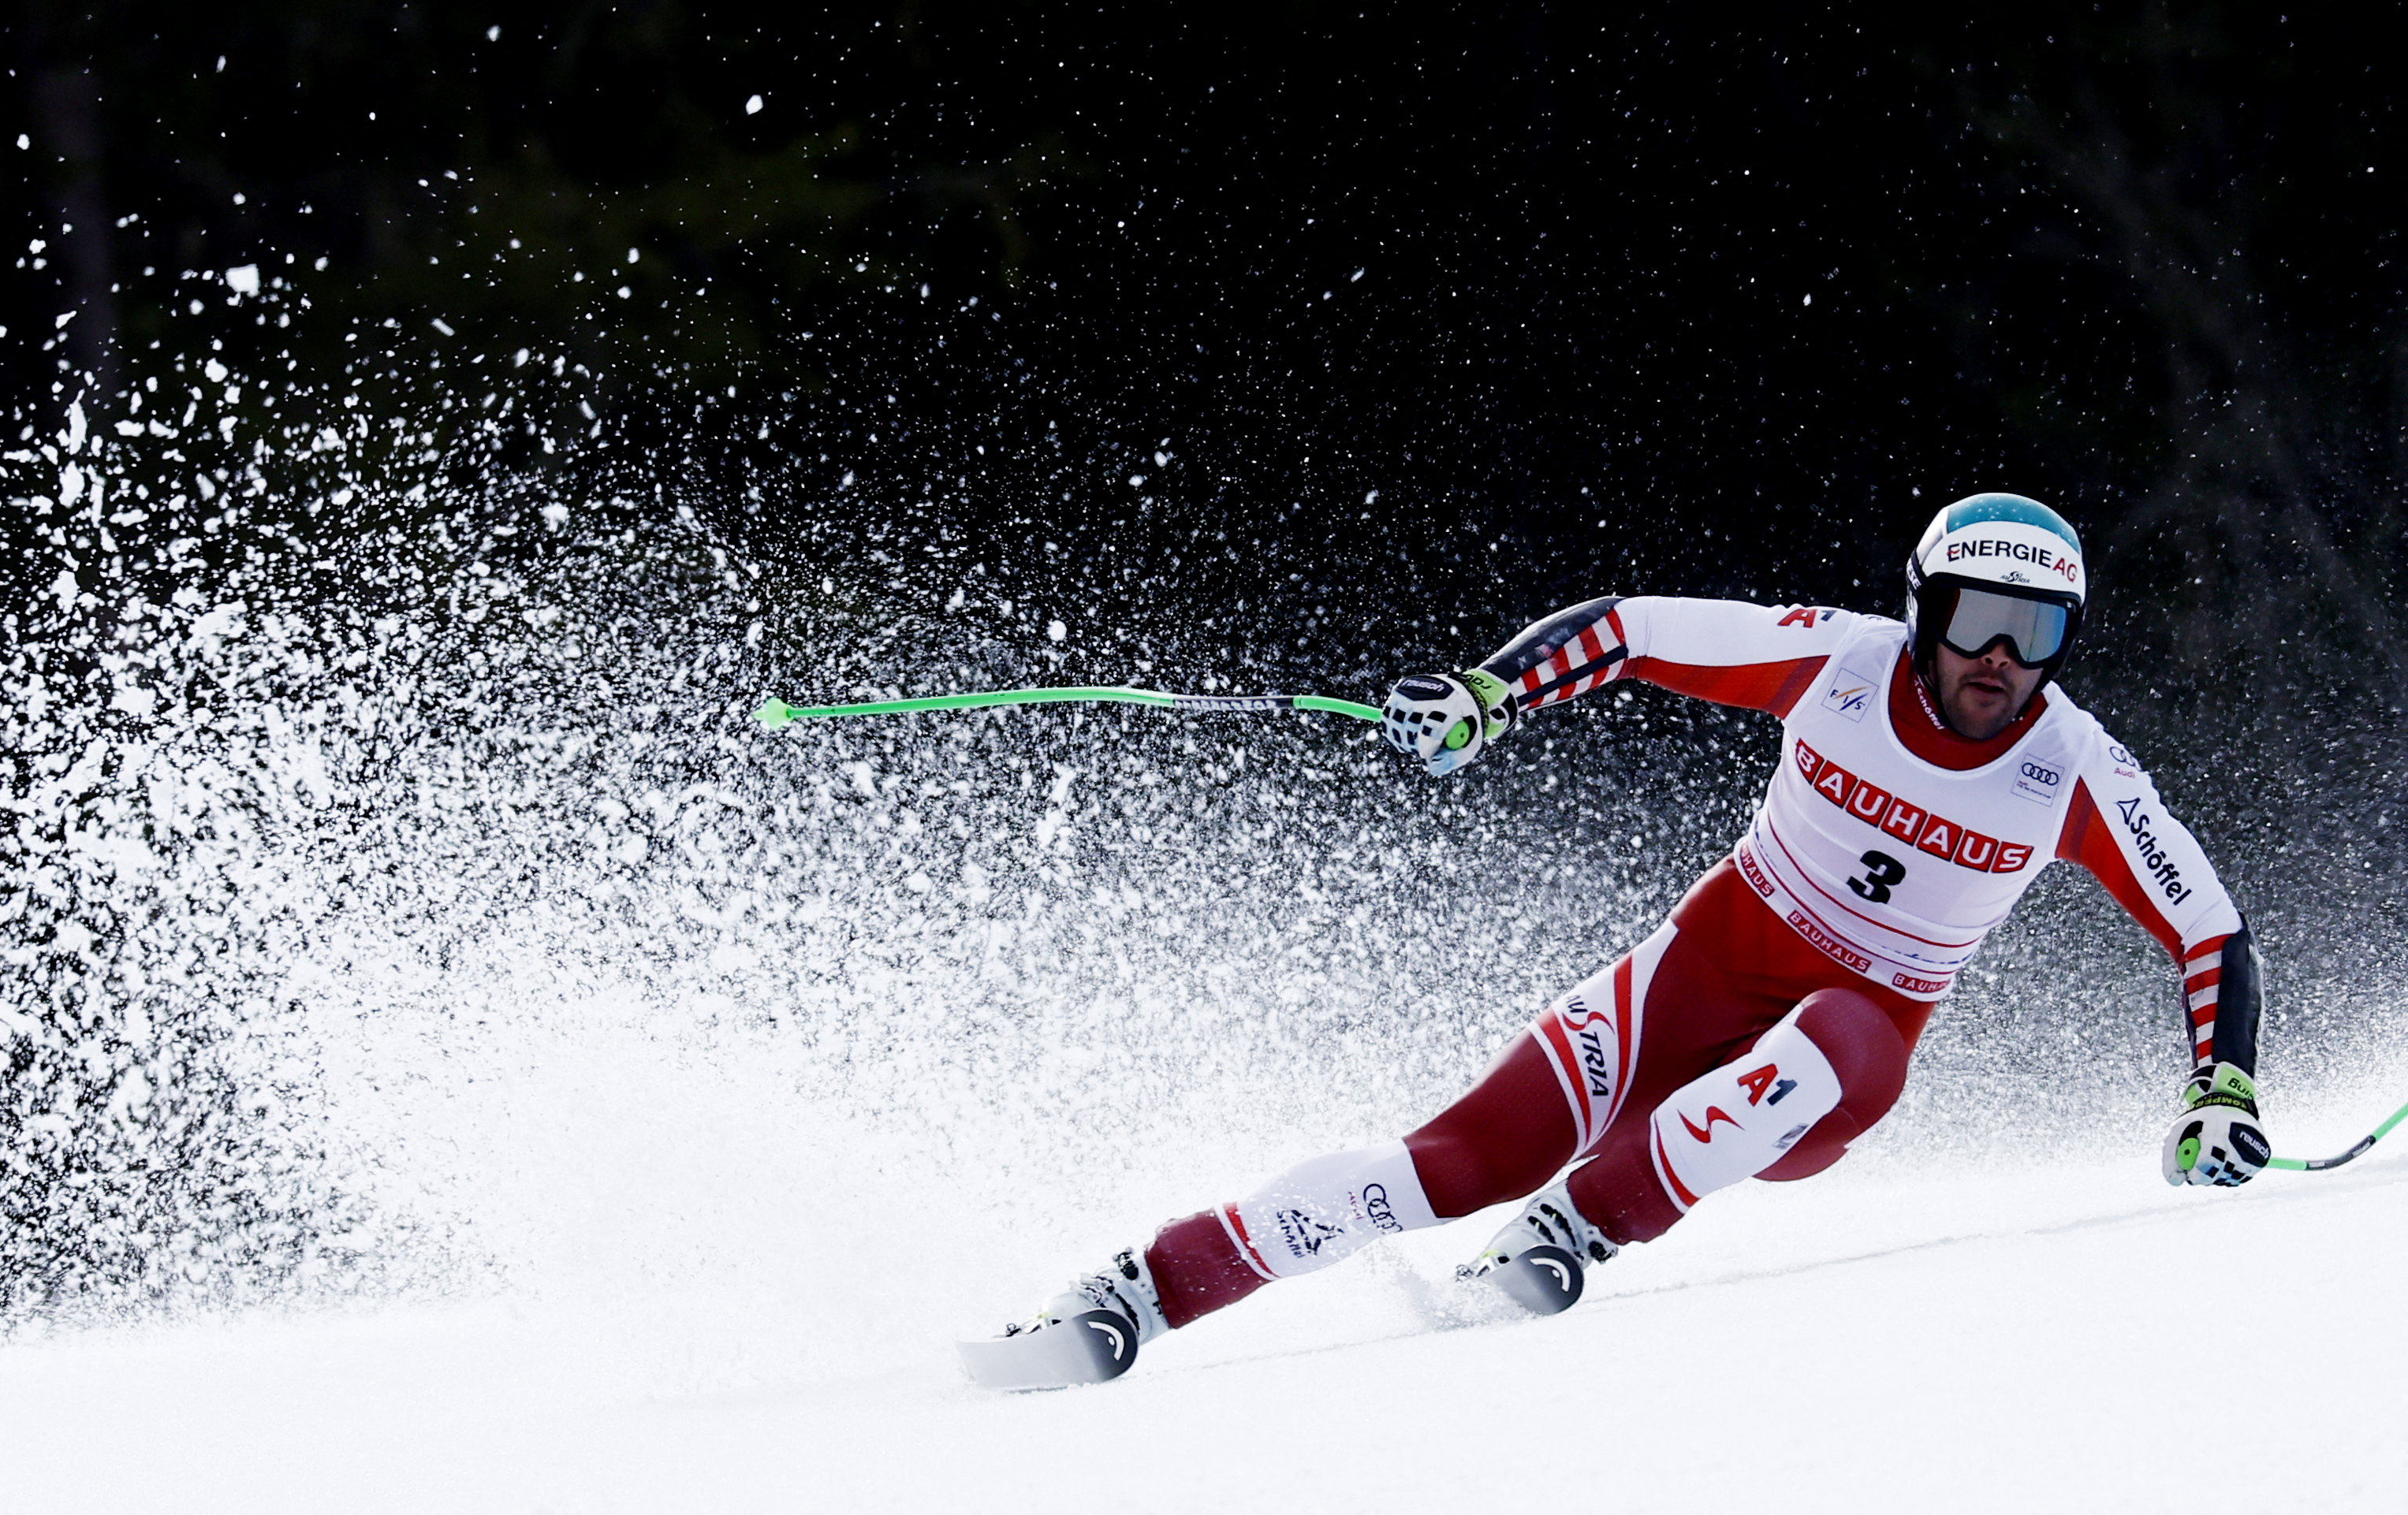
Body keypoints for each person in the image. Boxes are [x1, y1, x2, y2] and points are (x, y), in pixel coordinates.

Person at [961, 493, 2265, 1390]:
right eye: (1974, 618)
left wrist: (2221, 1089)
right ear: (1921, 610)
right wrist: (1489, 695)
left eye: (2033, 635)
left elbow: (2206, 927)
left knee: (1837, 1032)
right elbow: (1635, 630)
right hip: (1692, 980)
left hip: (1839, 1058)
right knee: (1458, 1159)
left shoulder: (2072, 767)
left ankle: (1579, 1229)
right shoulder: (1839, 663)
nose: (1997, 659)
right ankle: (1133, 1292)